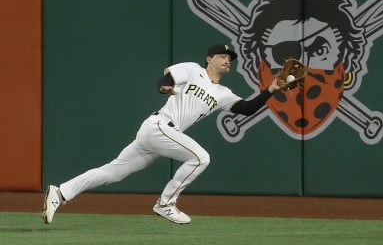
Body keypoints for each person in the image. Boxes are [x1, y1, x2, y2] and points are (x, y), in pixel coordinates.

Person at [42, 44, 282, 224]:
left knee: (112, 172)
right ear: (209, 59)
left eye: (229, 58)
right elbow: (166, 79)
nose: (227, 60)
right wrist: (163, 87)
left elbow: (248, 109)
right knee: (201, 158)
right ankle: (166, 203)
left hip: (161, 134)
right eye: (222, 56)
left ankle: (61, 191)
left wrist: (271, 89)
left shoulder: (223, 93)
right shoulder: (193, 70)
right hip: (159, 126)